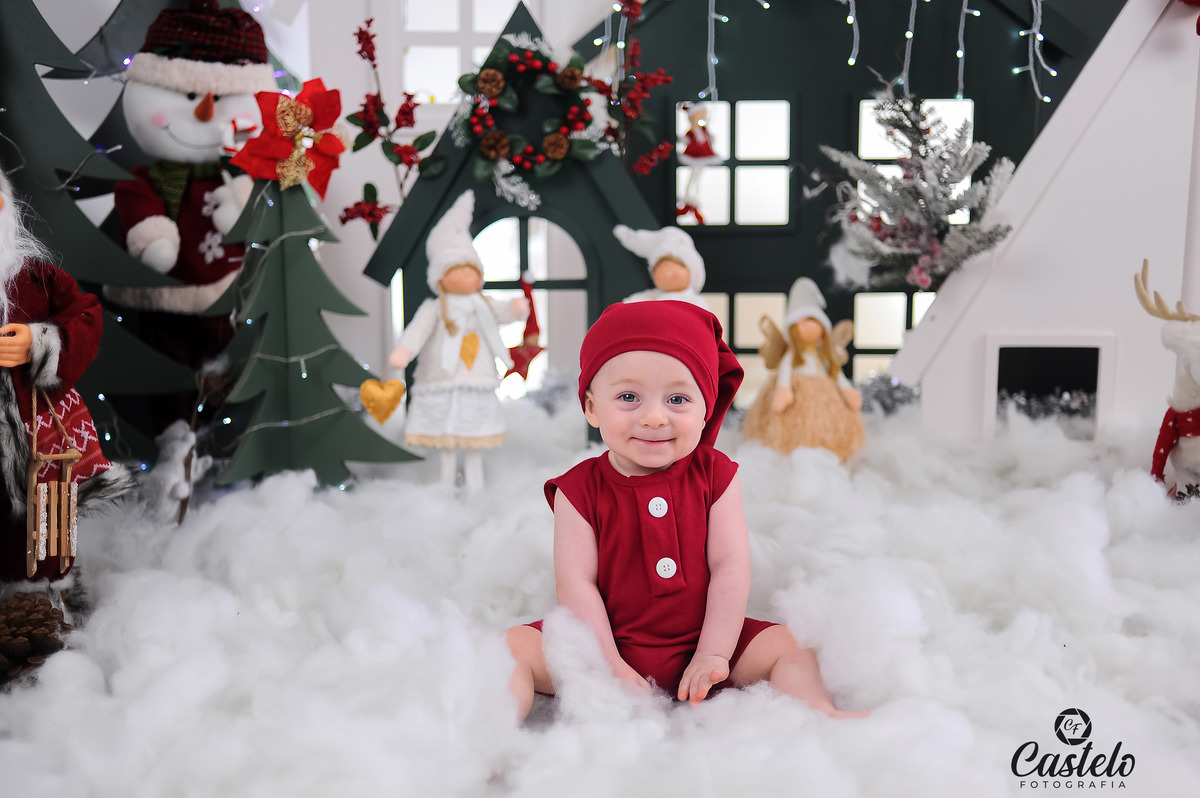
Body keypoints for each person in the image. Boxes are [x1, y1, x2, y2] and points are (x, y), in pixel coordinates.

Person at [505, 300, 861, 719]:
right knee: (514, 647)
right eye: (628, 397)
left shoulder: (716, 475)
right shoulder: (578, 489)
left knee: (789, 646)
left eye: (677, 399)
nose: (655, 417)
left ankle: (821, 714)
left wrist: (714, 653)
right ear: (592, 407)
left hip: (705, 644)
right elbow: (576, 584)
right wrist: (609, 665)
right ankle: (496, 728)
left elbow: (729, 567)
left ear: (706, 407)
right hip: (607, 646)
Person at [0, 168, 132, 587]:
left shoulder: (36, 280)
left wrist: (40, 343)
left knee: (44, 526)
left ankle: (46, 591)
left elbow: (86, 316)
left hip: (37, 435)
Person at [388, 190, 527, 493]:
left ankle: (476, 487)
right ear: (440, 278)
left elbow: (502, 313)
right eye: (457, 271)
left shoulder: (483, 305)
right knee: (447, 438)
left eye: (470, 271)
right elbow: (418, 331)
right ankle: (446, 484)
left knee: (474, 435)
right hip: (442, 378)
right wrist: (405, 350)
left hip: (476, 377)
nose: (465, 276)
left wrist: (516, 309)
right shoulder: (435, 308)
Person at [742, 277, 864, 461]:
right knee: (793, 426)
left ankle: (829, 453)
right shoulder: (791, 356)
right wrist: (784, 388)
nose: (811, 326)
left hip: (825, 395)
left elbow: (835, 372)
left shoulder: (824, 356)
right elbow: (785, 370)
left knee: (828, 425)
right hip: (796, 393)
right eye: (804, 321)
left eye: (815, 321)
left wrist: (846, 390)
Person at [613, 224, 709, 309]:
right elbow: (630, 305)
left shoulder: (696, 301)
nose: (663, 271)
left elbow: (704, 319)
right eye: (657, 269)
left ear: (690, 271)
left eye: (667, 266)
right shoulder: (652, 297)